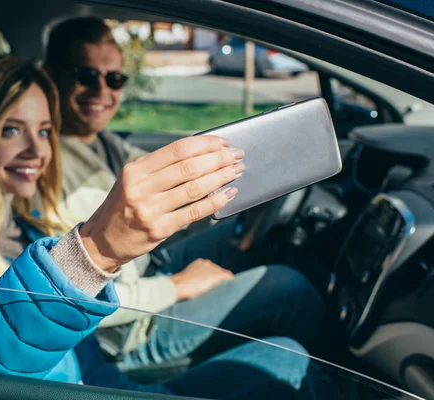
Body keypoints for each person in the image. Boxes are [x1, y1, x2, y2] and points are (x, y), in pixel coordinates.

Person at [0, 54, 318, 399]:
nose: (36, 150)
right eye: (11, 130)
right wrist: (93, 253)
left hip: (109, 384)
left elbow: (90, 364)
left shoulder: (24, 225)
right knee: (290, 353)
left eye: (45, 130)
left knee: (288, 354)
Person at [43, 16, 326, 366]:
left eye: (114, 78)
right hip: (127, 329)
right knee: (290, 289)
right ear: (51, 75)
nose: (102, 91)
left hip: (149, 267)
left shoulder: (104, 143)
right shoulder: (45, 167)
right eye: (85, 76)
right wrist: (178, 285)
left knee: (236, 237)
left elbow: (174, 185)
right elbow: (80, 294)